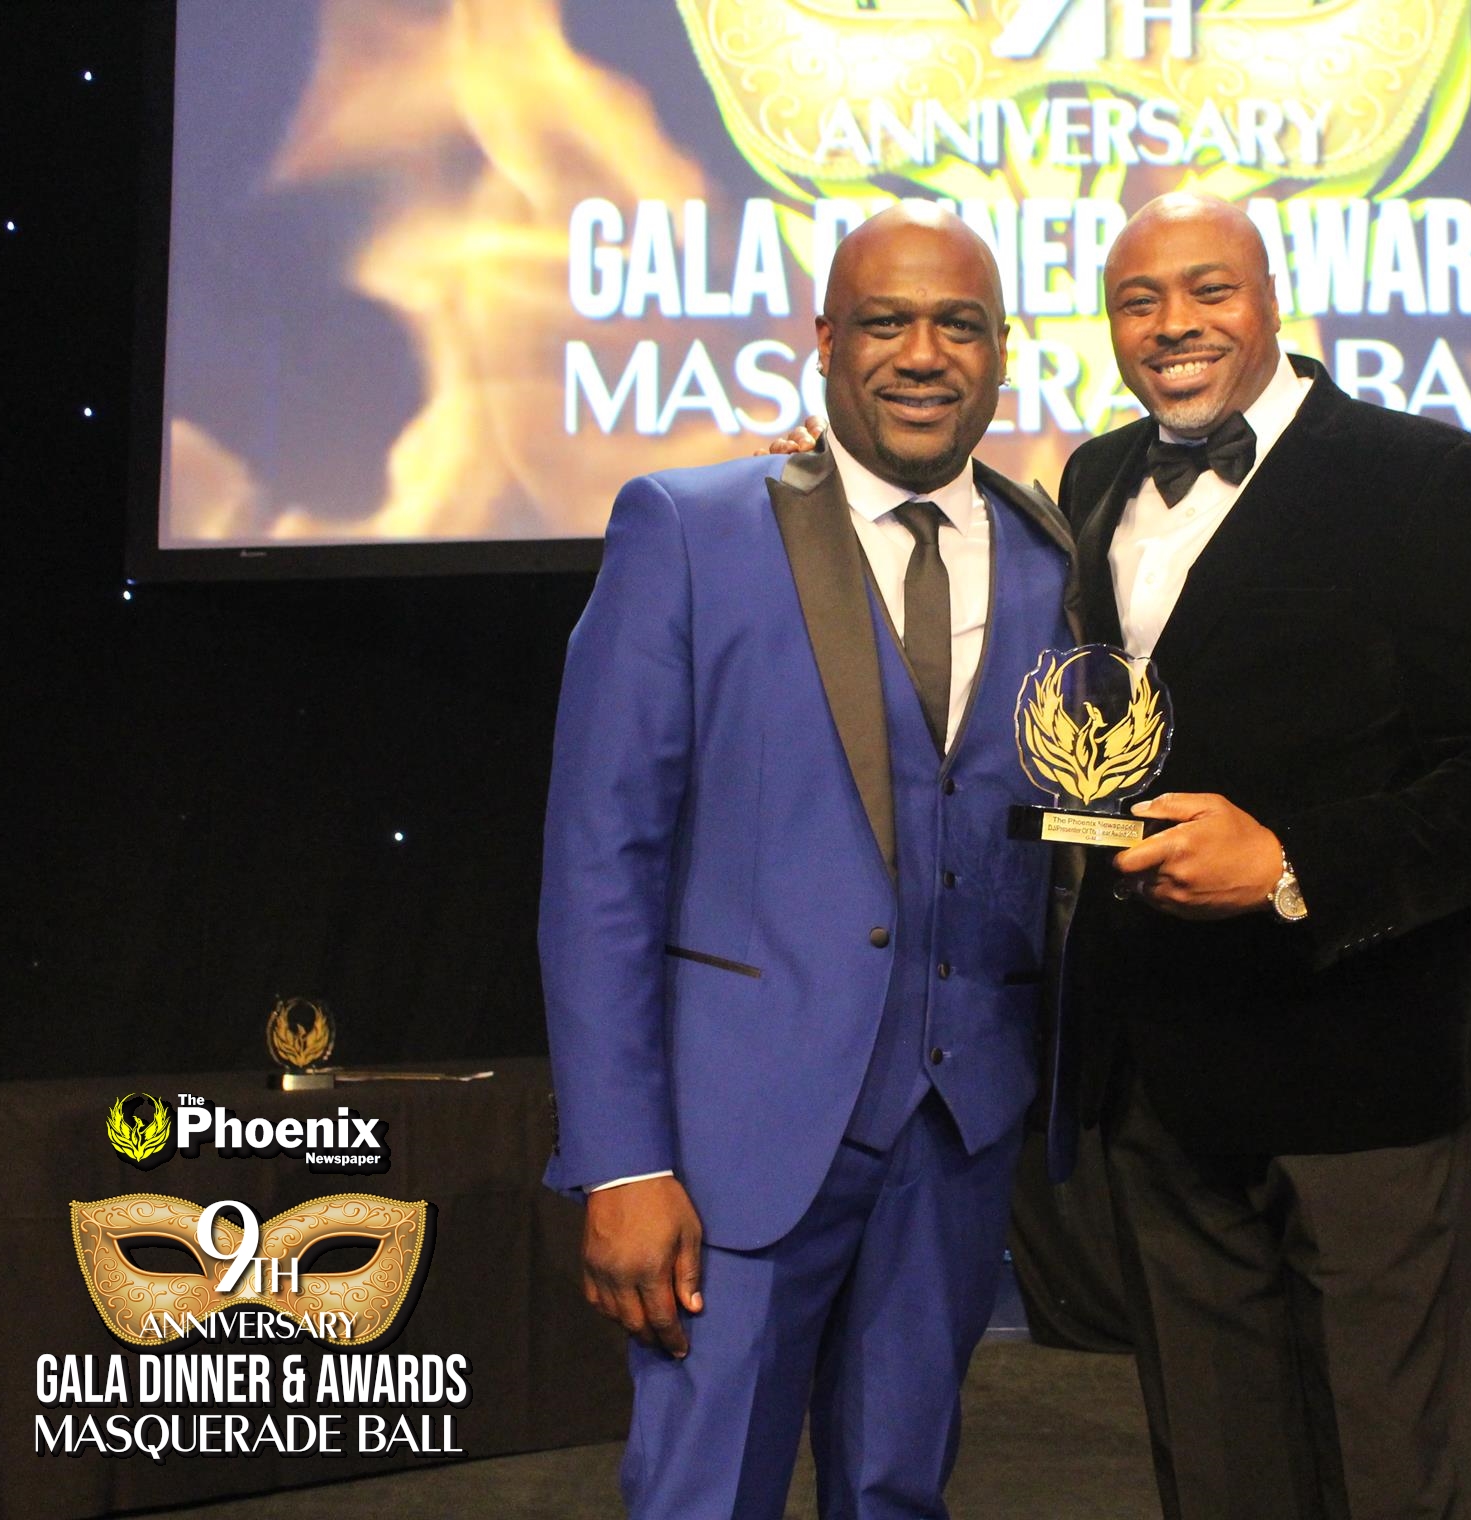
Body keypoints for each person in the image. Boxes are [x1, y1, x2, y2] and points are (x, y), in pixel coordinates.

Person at [538, 202, 1074, 1520]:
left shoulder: (1050, 555)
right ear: (827, 340)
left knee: (897, 1493)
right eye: (887, 322)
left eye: (958, 324)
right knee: (704, 1499)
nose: (923, 354)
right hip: (733, 1149)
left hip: (956, 1134)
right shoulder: (689, 526)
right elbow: (600, 865)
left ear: (1003, 351)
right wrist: (620, 1160)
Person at [1054, 192, 1471, 1520]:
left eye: (1209, 289)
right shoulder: (1093, 476)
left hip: (1355, 1067)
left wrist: (1294, 862)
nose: (1173, 324)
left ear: (1274, 299)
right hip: (1156, 1070)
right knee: (1217, 1473)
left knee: (1393, 1472)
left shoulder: (1421, 475)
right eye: (1138, 300)